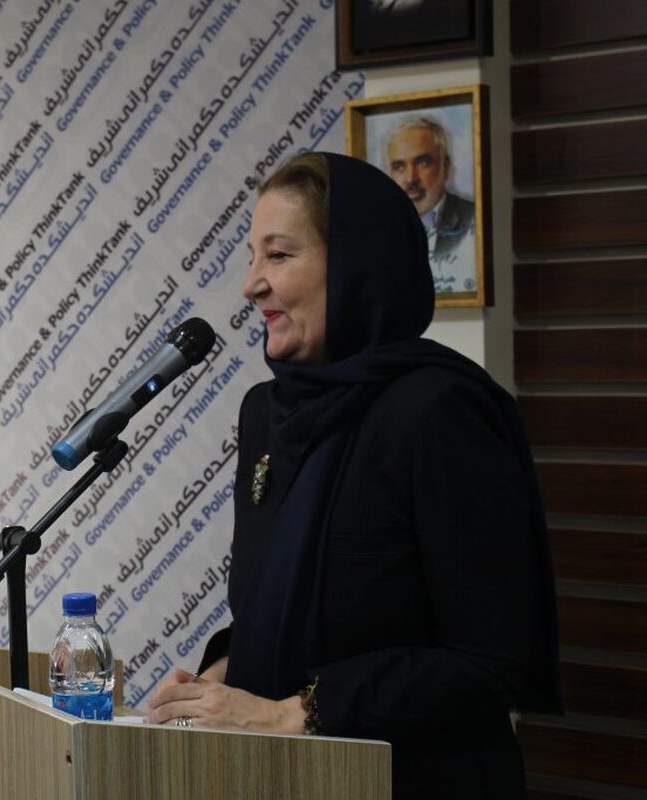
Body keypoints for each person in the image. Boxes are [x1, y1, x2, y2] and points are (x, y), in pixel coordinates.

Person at [146, 152, 561, 798]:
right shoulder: (266, 414)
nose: (251, 284)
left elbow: (489, 662)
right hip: (283, 782)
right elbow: (275, 610)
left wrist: (295, 713)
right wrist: (220, 678)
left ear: (357, 266)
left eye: (279, 256)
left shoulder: (439, 413)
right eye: (252, 257)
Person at [386, 115, 475, 261]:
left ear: (445, 167)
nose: (411, 178)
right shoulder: (379, 226)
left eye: (423, 162)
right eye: (399, 166)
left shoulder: (473, 217)